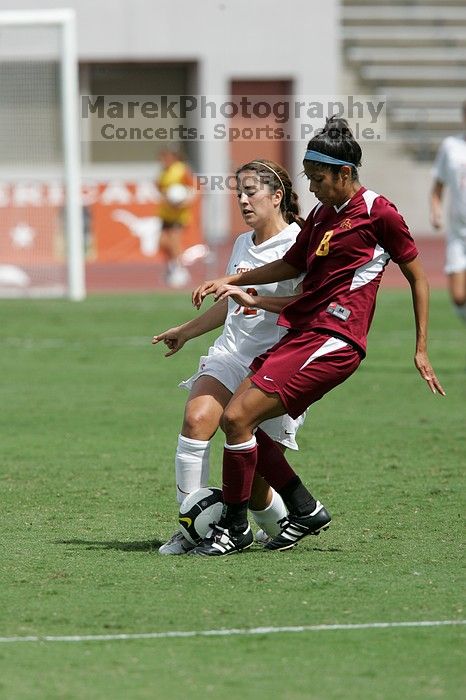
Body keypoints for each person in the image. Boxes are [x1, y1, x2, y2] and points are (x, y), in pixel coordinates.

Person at [189, 116, 446, 557]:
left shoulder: (378, 212)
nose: (312, 187)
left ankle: (232, 528)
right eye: (308, 178)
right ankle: (304, 509)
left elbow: (418, 278)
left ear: (345, 174)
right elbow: (291, 265)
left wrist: (420, 347)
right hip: (301, 333)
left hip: (334, 339)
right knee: (245, 426)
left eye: (319, 178)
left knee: (235, 420)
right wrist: (233, 278)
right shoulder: (323, 215)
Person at [152, 159, 307, 554]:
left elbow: (308, 304)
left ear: (277, 197)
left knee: (257, 491)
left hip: (276, 364)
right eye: (239, 192)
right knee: (197, 418)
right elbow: (230, 306)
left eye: (251, 191)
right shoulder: (242, 243)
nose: (243, 199)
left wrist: (253, 296)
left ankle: (281, 525)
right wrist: (185, 332)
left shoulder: (298, 245)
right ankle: (193, 528)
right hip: (231, 354)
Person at [430, 101, 466, 324]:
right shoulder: (451, 146)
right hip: (458, 233)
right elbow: (438, 185)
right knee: (459, 297)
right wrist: (435, 209)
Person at [156, 149, 195, 288]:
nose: (162, 161)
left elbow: (193, 189)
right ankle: (172, 266)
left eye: (164, 158)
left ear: (172, 157)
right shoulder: (163, 173)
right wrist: (167, 198)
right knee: (162, 243)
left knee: (174, 242)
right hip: (166, 213)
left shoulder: (181, 170)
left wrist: (183, 201)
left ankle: (180, 271)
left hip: (179, 215)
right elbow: (160, 189)